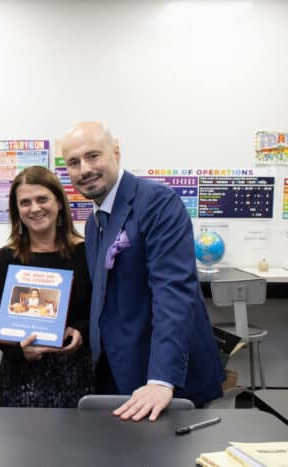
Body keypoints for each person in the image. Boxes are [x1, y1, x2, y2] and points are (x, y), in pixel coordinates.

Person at [60, 121, 224, 420]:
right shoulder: (93, 222)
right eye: (73, 162)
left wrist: (162, 379)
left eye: (93, 156)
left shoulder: (157, 203)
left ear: (116, 152)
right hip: (119, 374)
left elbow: (173, 292)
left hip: (164, 379)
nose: (84, 169)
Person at [0, 165, 94, 408]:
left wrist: (80, 331)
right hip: (21, 377)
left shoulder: (86, 253)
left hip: (76, 374)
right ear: (17, 210)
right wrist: (20, 352)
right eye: (25, 202)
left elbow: (101, 311)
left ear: (58, 203)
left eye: (42, 199)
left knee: (79, 444)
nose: (34, 208)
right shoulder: (6, 258)